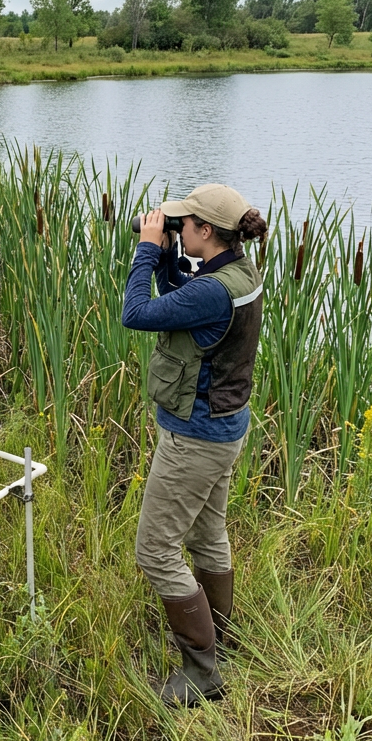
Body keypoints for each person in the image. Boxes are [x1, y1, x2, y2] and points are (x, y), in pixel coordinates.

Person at [122, 184, 267, 707]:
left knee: (155, 549)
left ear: (207, 231)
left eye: (184, 225)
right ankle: (219, 639)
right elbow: (188, 298)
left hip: (196, 437)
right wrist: (166, 262)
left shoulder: (213, 289)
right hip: (225, 426)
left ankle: (202, 670)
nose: (175, 229)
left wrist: (144, 252)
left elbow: (136, 313)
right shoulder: (238, 272)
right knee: (207, 534)